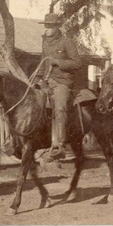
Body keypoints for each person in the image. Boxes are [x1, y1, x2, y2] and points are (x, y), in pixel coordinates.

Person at [34, 13, 82, 159]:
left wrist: (58, 62)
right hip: (47, 81)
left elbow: (78, 63)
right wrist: (38, 77)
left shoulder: (67, 42)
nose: (46, 29)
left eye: (49, 26)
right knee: (31, 103)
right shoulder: (45, 43)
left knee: (60, 107)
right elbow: (43, 61)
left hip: (62, 82)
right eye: (45, 26)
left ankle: (60, 145)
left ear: (57, 27)